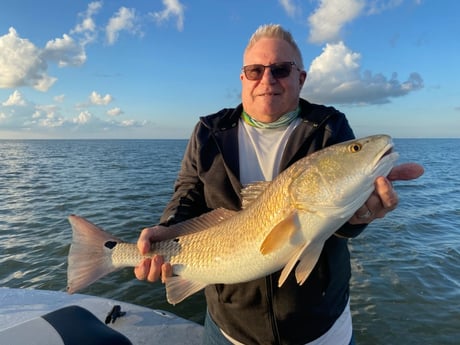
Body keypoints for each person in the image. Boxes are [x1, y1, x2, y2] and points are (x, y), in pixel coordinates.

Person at [134, 24, 424, 345]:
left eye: (281, 70)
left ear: (301, 78)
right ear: (242, 78)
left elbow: (337, 214)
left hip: (321, 329)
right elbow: (187, 196)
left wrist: (360, 216)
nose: (267, 80)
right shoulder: (208, 131)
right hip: (229, 329)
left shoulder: (329, 127)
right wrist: (167, 230)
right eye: (255, 70)